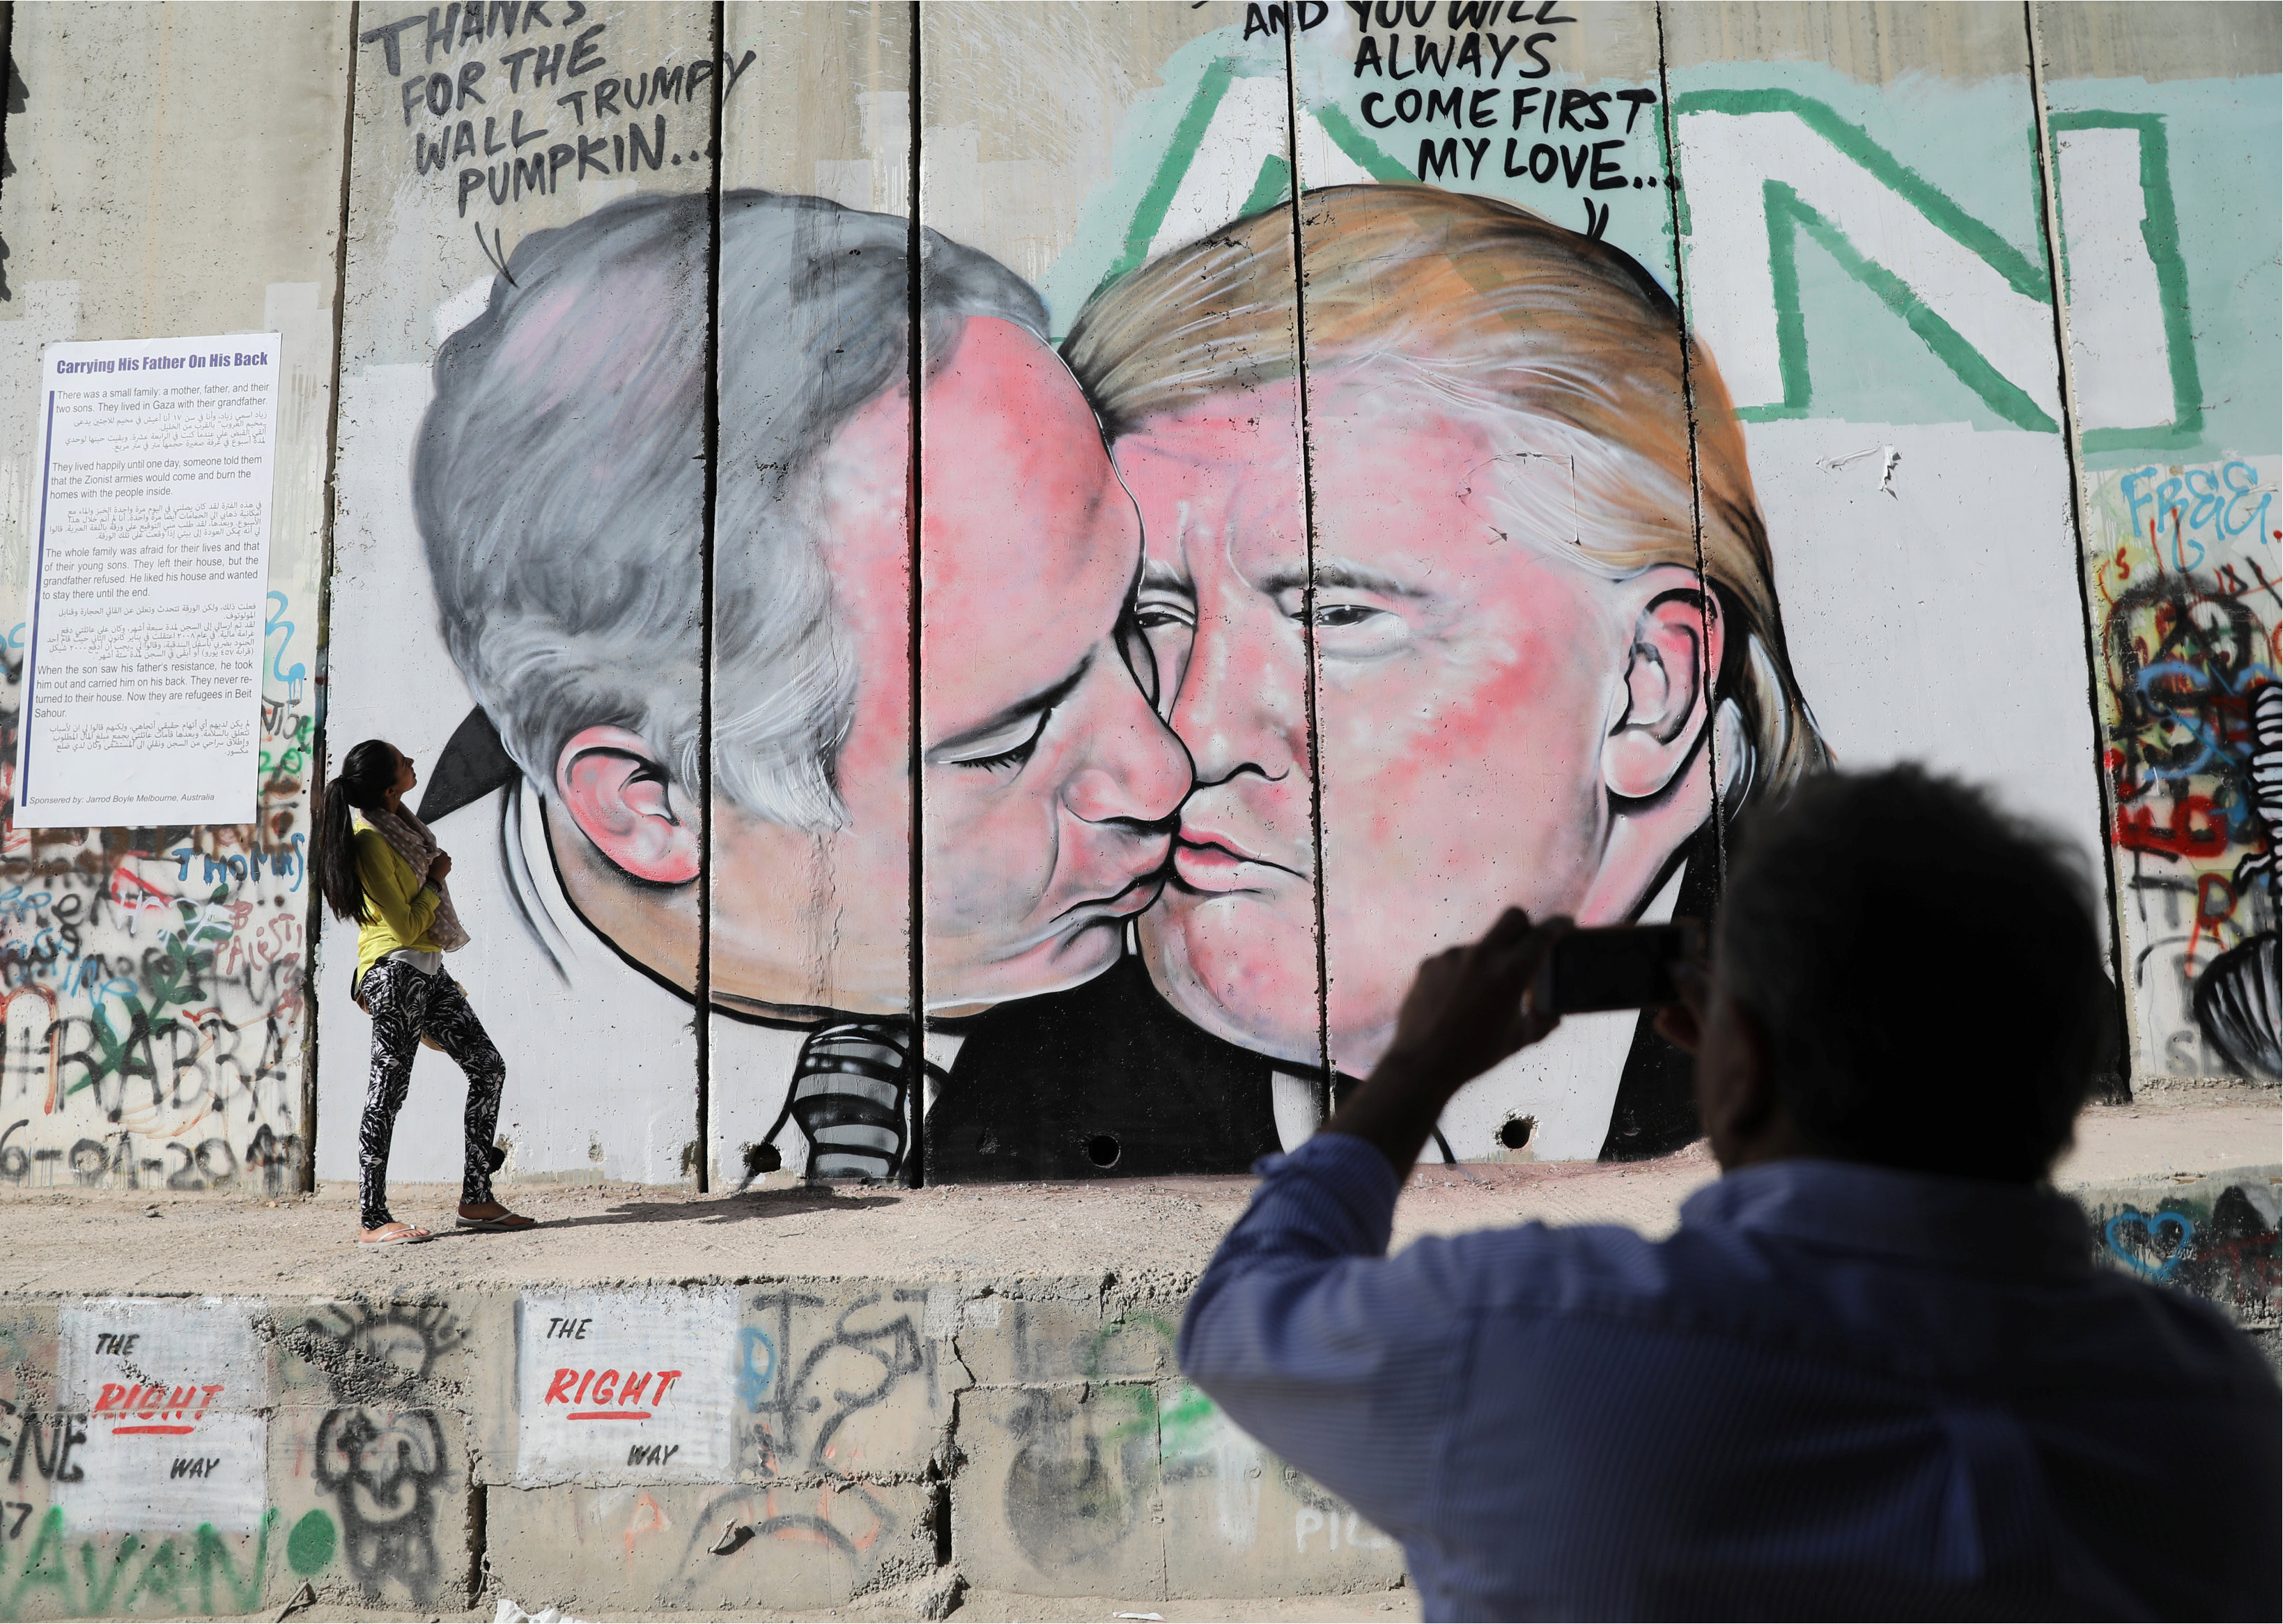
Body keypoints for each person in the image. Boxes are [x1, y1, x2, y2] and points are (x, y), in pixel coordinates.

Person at [1177, 764, 2280, 1619]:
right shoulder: (2209, 1407)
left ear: (1738, 1059)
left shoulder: (1532, 1338)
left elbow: (1242, 1316)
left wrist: (1415, 1069)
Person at [930, 184, 1828, 1180]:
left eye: (1336, 616)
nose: (1188, 738)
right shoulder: (1034, 1087)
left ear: (1650, 682)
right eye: (1150, 616)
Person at [412, 190, 1189, 1182]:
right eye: (1008, 738)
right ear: (650, 804)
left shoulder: (1242, 988)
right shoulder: (442, 1058)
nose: (1163, 770)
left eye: (1134, 619)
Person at [317, 738, 531, 1244]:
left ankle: (477, 1198)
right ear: (390, 788)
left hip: (426, 972)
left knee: (488, 1067)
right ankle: (373, 1218)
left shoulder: (404, 830)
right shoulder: (372, 842)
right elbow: (409, 923)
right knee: (387, 1092)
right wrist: (435, 880)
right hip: (395, 974)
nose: (414, 761)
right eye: (404, 762)